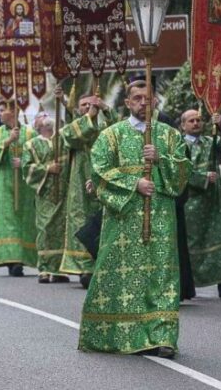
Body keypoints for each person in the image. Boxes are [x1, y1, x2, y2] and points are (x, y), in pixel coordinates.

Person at [78, 80, 191, 359]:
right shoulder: (111, 135)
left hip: (161, 218)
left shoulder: (169, 135)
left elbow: (182, 175)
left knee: (161, 274)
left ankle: (162, 335)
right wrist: (133, 184)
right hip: (123, 218)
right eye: (137, 98)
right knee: (121, 276)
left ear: (155, 103)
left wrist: (161, 158)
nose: (143, 103)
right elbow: (99, 171)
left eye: (148, 98)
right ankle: (115, 334)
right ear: (127, 103)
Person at [180, 109, 221, 299]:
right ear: (183, 125)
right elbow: (178, 171)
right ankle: (190, 284)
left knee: (219, 237)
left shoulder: (211, 141)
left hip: (214, 200)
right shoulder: (179, 145)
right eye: (191, 121)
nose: (196, 123)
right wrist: (202, 178)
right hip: (192, 202)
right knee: (193, 243)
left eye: (199, 120)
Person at [58, 89, 108, 287]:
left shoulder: (106, 126)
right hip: (80, 181)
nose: (88, 108)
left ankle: (100, 265)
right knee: (80, 221)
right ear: (78, 109)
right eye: (84, 105)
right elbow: (69, 137)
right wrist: (90, 117)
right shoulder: (74, 126)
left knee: (102, 221)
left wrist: (105, 109)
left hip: (104, 178)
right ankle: (84, 269)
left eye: (91, 104)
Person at [0, 100, 38, 276]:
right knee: (7, 220)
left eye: (2, 110)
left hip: (24, 185)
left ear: (13, 111)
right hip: (3, 183)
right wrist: (8, 141)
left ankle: (23, 257)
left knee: (23, 220)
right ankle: (11, 260)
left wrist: (23, 162)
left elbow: (39, 153)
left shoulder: (29, 132)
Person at [21, 114, 69, 284]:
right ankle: (44, 268)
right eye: (42, 116)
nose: (46, 117)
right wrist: (48, 168)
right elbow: (26, 168)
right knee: (45, 229)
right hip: (44, 193)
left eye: (48, 115)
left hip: (63, 193)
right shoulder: (31, 144)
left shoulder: (62, 139)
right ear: (37, 125)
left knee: (60, 230)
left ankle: (57, 270)